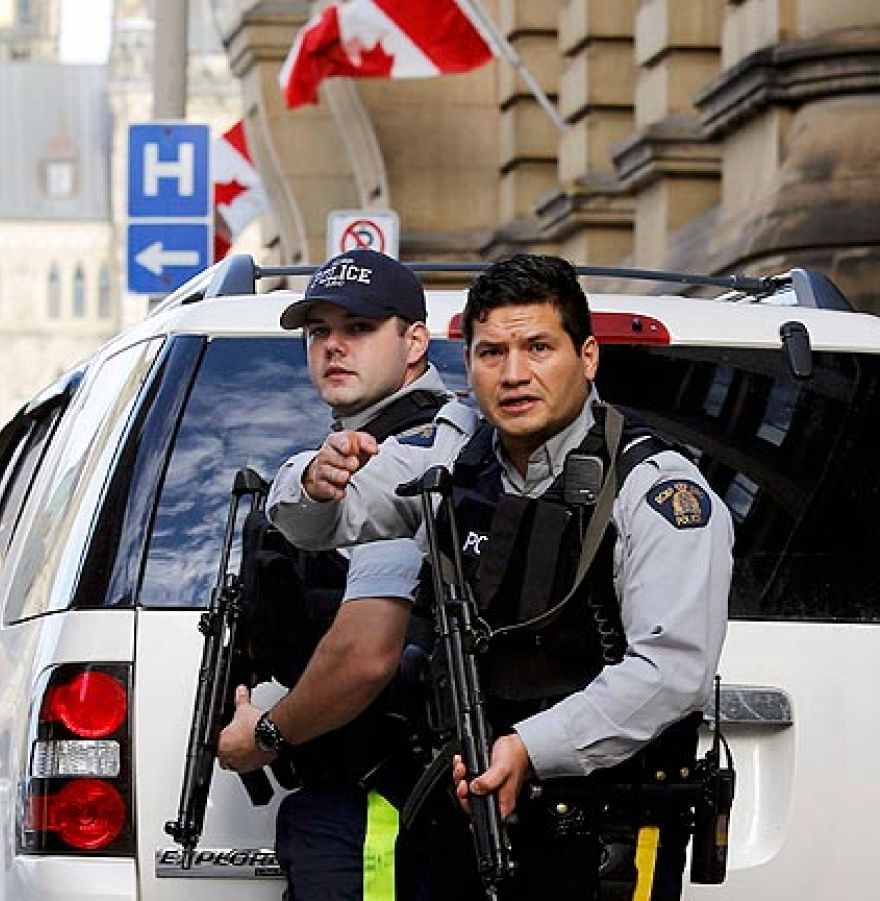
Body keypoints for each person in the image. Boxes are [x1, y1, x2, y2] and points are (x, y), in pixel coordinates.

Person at [266, 254, 732, 899]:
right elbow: (320, 522)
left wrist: (529, 748)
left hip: (601, 836)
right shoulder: (454, 456)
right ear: (468, 364)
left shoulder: (655, 487)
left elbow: (671, 670)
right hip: (462, 811)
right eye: (491, 353)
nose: (513, 374)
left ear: (587, 356)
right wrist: (314, 482)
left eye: (538, 347)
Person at [216, 249, 451, 900]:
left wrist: (265, 734)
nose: (333, 346)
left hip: (387, 804)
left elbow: (367, 656)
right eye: (319, 331)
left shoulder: (416, 458)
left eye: (359, 328)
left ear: (414, 341)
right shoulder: (349, 448)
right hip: (369, 797)